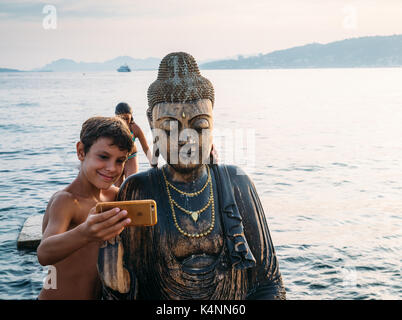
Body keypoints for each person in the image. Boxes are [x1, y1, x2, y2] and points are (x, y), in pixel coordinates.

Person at [98, 52, 286, 300]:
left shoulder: (237, 182)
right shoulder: (139, 189)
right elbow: (133, 291)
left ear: (213, 124)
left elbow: (269, 283)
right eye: (169, 127)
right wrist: (117, 285)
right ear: (151, 125)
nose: (185, 138)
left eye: (199, 126)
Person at [37, 116, 133, 299]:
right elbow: (44, 253)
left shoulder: (115, 196)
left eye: (120, 161)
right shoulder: (66, 201)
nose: (112, 168)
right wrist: (85, 233)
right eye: (103, 157)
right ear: (81, 151)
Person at [114, 102, 152, 187]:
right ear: (115, 117)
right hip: (117, 159)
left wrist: (153, 163)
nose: (124, 121)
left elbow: (145, 148)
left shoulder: (135, 128)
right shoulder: (112, 128)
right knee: (118, 188)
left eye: (127, 118)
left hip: (131, 158)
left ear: (131, 116)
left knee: (131, 184)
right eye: (121, 118)